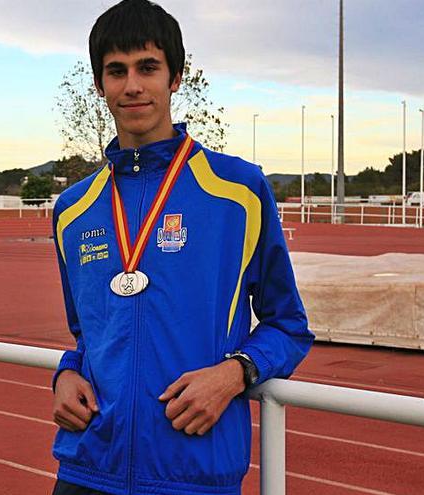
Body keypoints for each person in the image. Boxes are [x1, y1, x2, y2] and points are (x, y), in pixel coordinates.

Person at [50, 1, 314, 494]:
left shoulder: (238, 191)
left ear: (175, 77)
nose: (132, 85)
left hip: (192, 471)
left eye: (148, 67)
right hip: (87, 468)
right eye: (116, 71)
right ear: (99, 84)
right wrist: (65, 374)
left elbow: (288, 325)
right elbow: (87, 334)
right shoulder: (73, 208)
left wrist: (237, 373)